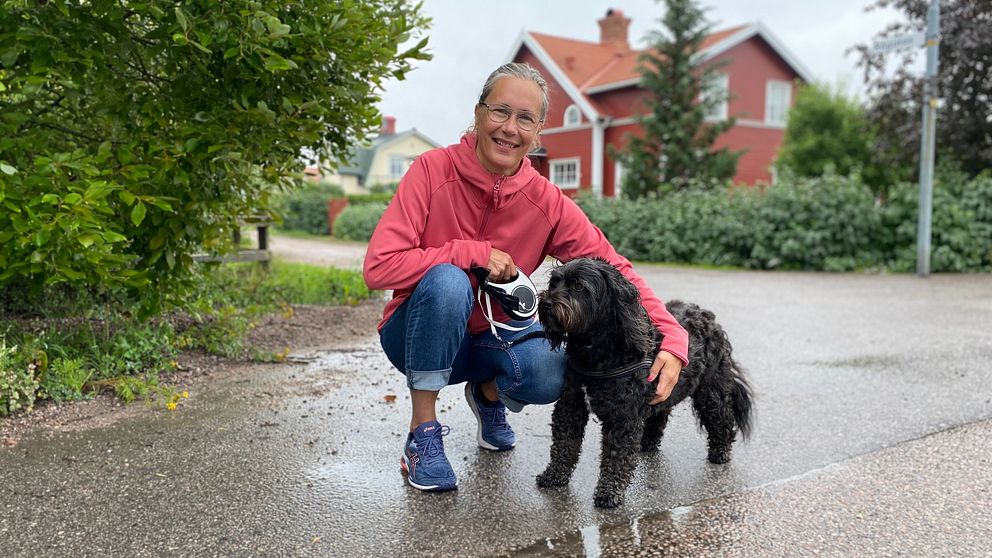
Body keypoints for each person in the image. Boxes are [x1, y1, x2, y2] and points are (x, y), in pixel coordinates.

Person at [363, 62, 689, 492]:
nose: (509, 129)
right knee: (448, 281)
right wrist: (471, 252)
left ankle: (488, 395)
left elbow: (616, 271)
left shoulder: (547, 201)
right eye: (500, 111)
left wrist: (673, 336)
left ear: (538, 132)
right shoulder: (430, 170)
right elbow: (379, 267)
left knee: (549, 370)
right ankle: (422, 435)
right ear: (478, 113)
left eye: (525, 119)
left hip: (493, 338)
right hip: (416, 334)